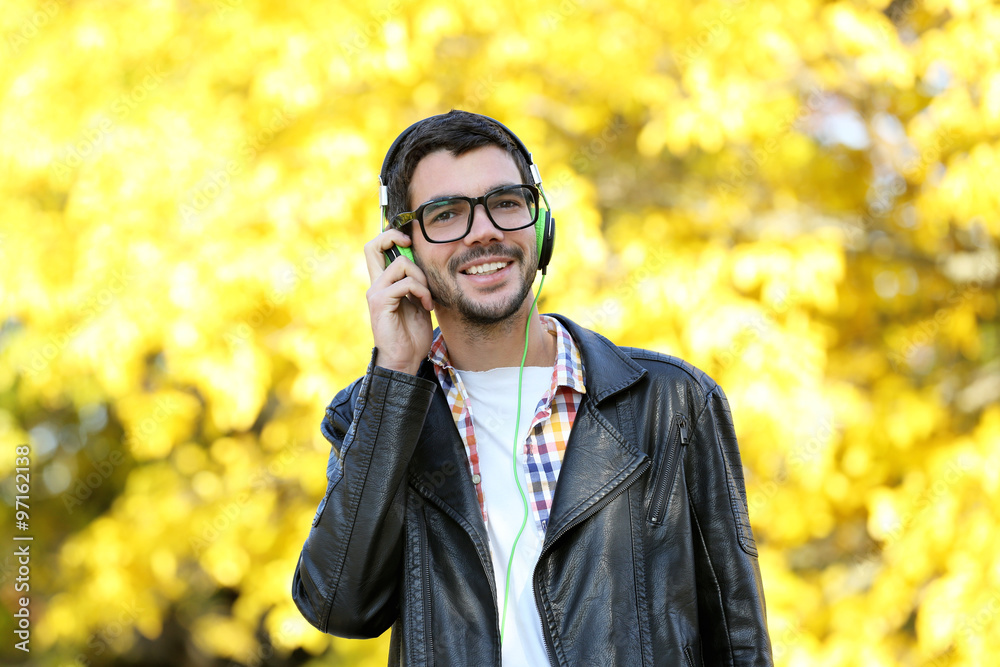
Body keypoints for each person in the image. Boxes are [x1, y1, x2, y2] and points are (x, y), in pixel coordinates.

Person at [292, 110, 773, 666]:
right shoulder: (372, 415)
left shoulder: (673, 402)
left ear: (540, 223)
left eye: (505, 203)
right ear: (403, 252)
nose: (483, 231)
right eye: (445, 215)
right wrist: (397, 373)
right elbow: (339, 607)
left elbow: (738, 637)